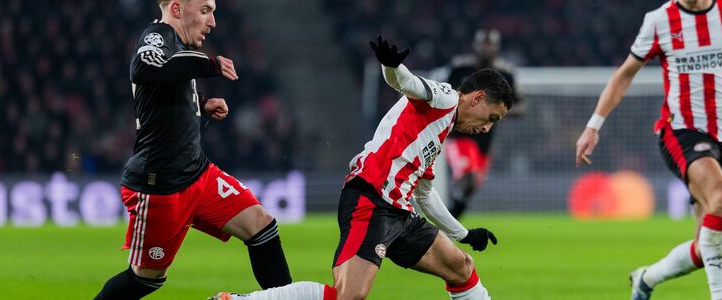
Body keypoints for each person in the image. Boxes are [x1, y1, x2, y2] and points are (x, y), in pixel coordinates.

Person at [210, 35, 514, 300]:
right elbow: (406, 83)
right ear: (478, 98)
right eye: (492, 118)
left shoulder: (440, 127)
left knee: (461, 268)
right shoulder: (445, 98)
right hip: (370, 200)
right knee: (349, 295)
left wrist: (464, 234)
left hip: (399, 212)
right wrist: (391, 66)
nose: (487, 129)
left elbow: (424, 194)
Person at [574, 0, 722, 299]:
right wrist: (593, 125)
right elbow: (625, 74)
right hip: (682, 131)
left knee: (707, 246)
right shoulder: (660, 20)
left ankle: (645, 278)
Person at [93, 0, 292, 298]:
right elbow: (145, 67)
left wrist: (200, 105)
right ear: (176, 9)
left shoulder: (179, 49)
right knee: (144, 279)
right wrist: (209, 65)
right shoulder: (156, 36)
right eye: (205, 11)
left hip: (198, 174)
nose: (212, 22)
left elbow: (163, 92)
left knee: (261, 226)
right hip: (160, 186)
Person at [444, 29, 520, 219]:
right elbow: (445, 96)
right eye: (483, 44)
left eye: (490, 45)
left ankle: (446, 224)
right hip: (459, 136)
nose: (486, 49)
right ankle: (443, 224)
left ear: (497, 47)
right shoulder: (460, 69)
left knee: (469, 189)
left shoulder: (505, 74)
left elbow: (519, 106)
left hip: (485, 142)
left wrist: (492, 113)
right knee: (467, 178)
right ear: (475, 46)